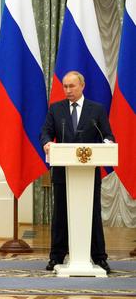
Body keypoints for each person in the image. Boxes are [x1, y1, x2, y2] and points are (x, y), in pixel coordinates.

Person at [40, 70, 114, 273]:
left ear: (82, 86)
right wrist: (46, 143)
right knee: (60, 215)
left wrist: (107, 143)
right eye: (65, 86)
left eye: (72, 86)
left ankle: (99, 257)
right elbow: (45, 132)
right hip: (64, 173)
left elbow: (107, 135)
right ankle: (56, 257)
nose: (68, 90)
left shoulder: (96, 110)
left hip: (89, 175)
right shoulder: (56, 109)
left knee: (93, 215)